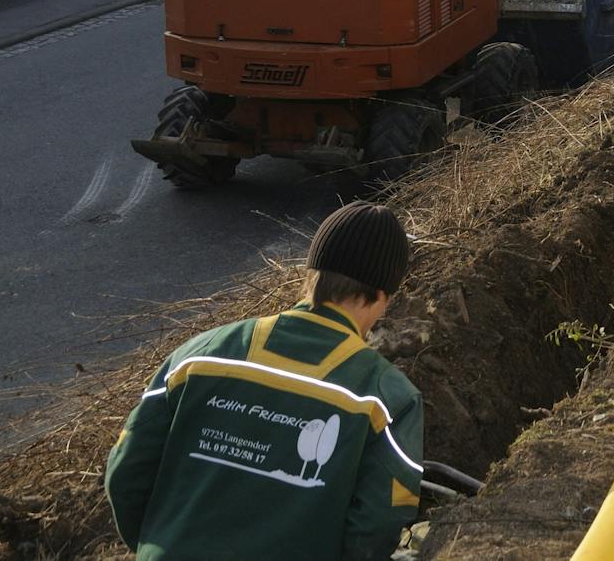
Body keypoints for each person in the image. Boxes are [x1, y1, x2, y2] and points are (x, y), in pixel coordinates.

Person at [105, 202, 424, 560]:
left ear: (311, 275)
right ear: (381, 296)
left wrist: (153, 546)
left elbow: (126, 474)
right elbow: (378, 522)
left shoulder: (196, 356)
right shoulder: (387, 398)